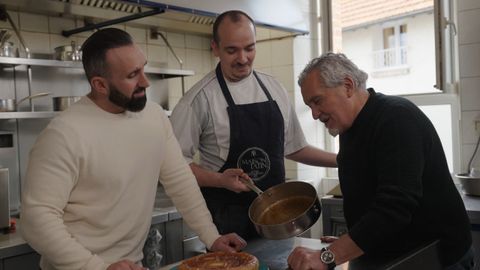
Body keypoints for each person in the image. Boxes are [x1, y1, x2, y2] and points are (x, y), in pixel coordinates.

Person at [20, 28, 246, 270]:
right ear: (100, 84)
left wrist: (211, 237)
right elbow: (37, 219)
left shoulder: (154, 118)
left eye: (143, 68)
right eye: (132, 75)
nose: (145, 82)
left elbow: (181, 182)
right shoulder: (64, 134)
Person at [287, 52, 474, 270]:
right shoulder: (350, 129)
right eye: (310, 106)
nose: (315, 114)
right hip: (390, 255)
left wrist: (329, 256)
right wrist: (350, 242)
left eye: (317, 101)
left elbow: (394, 207)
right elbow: (368, 196)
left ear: (348, 85)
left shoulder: (396, 119)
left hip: (435, 258)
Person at [169, 9, 337, 241]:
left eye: (249, 48)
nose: (242, 58)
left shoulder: (274, 89)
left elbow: (295, 147)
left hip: (279, 219)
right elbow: (175, 168)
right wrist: (220, 180)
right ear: (215, 48)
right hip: (228, 224)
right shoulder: (197, 101)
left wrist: (342, 160)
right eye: (231, 50)